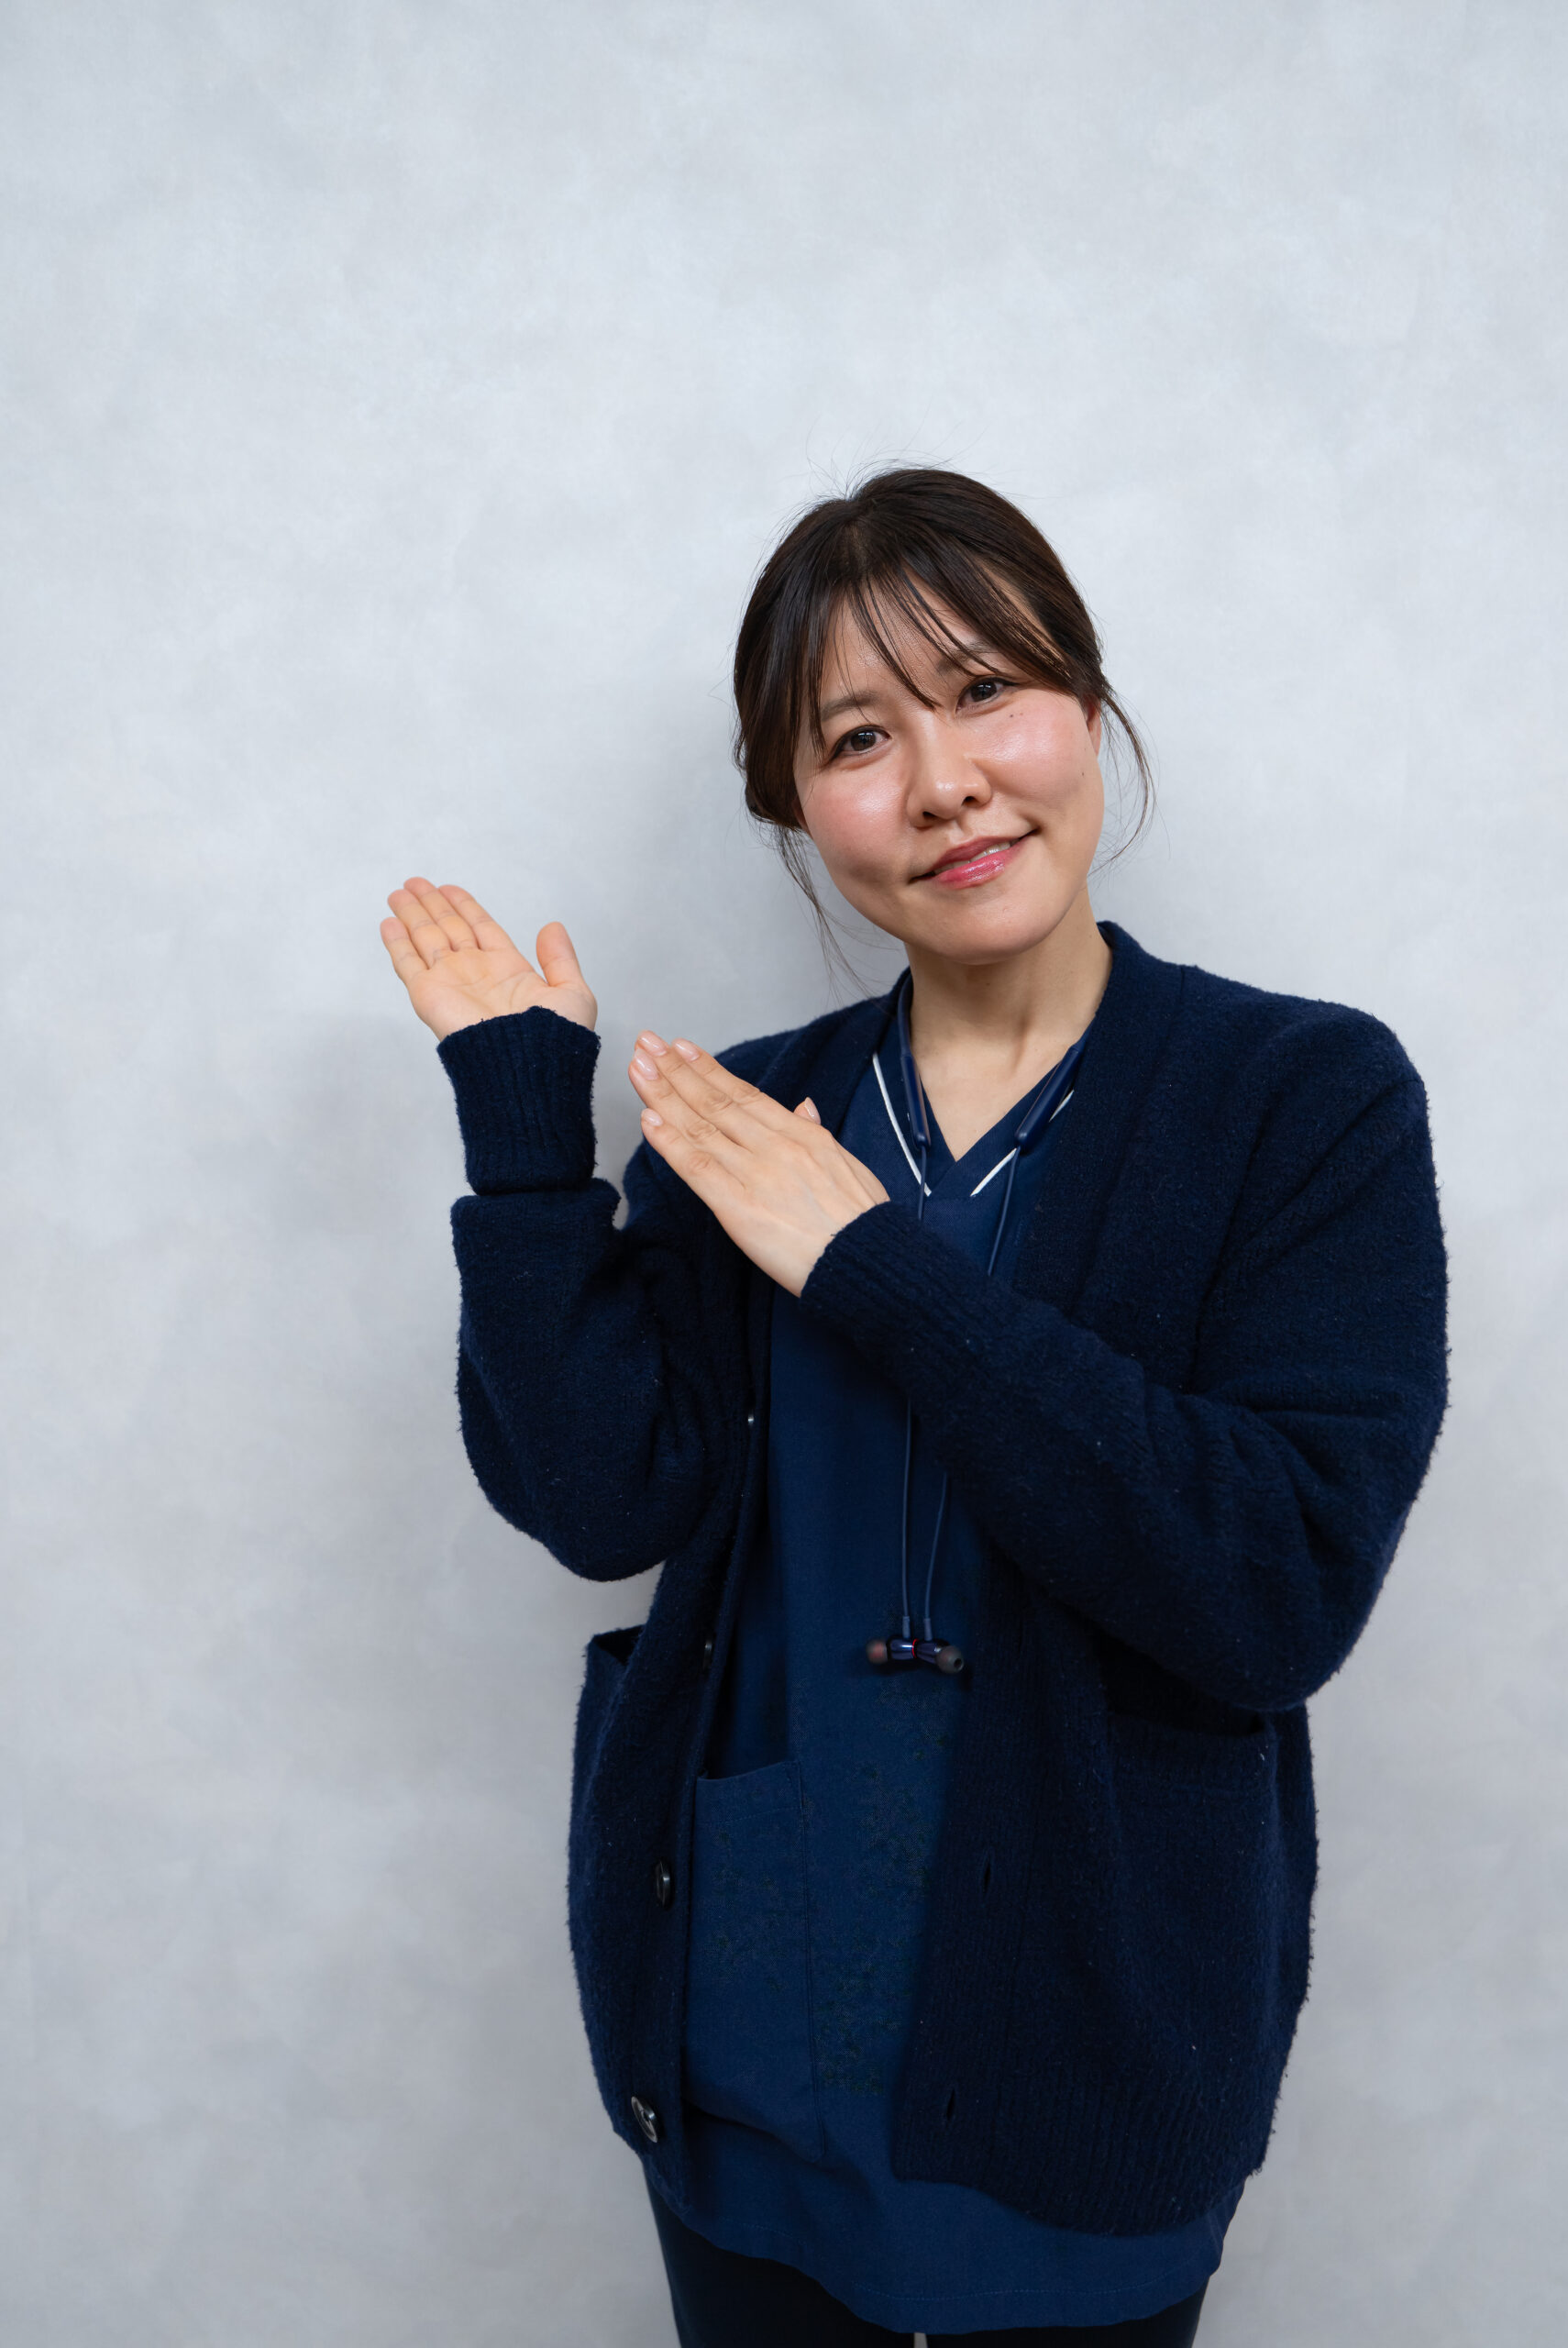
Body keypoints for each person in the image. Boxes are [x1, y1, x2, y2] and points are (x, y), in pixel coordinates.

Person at [379, 469, 1448, 2345]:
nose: (945, 780)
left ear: (1086, 706)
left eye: (986, 691)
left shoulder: (1302, 1098)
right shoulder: (743, 1118)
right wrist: (530, 1148)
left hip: (1086, 2047)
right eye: (859, 737)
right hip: (743, 2021)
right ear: (797, 806)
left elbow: (1273, 1585)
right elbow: (603, 1503)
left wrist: (867, 1259)